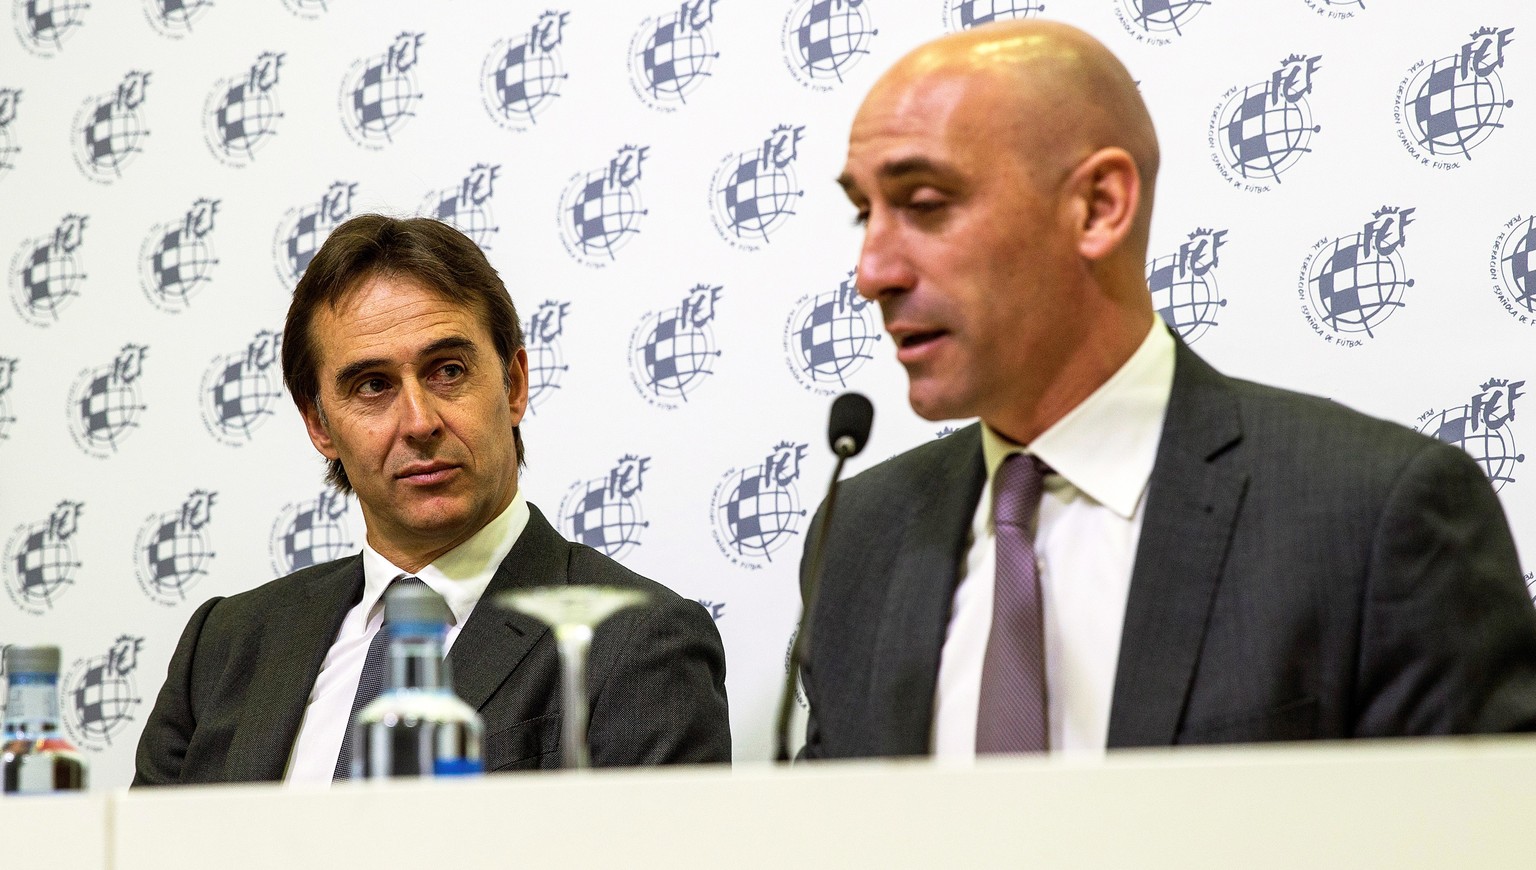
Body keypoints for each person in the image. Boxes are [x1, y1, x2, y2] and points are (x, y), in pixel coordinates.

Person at [799, 20, 1536, 760]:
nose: (872, 273)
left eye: (925, 204)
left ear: (1098, 207)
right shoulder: (860, 534)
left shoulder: (1372, 515)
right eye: (865, 211)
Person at [135, 216, 730, 784]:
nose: (419, 422)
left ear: (514, 384)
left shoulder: (637, 642)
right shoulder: (223, 646)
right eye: (372, 386)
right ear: (319, 425)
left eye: (447, 371)